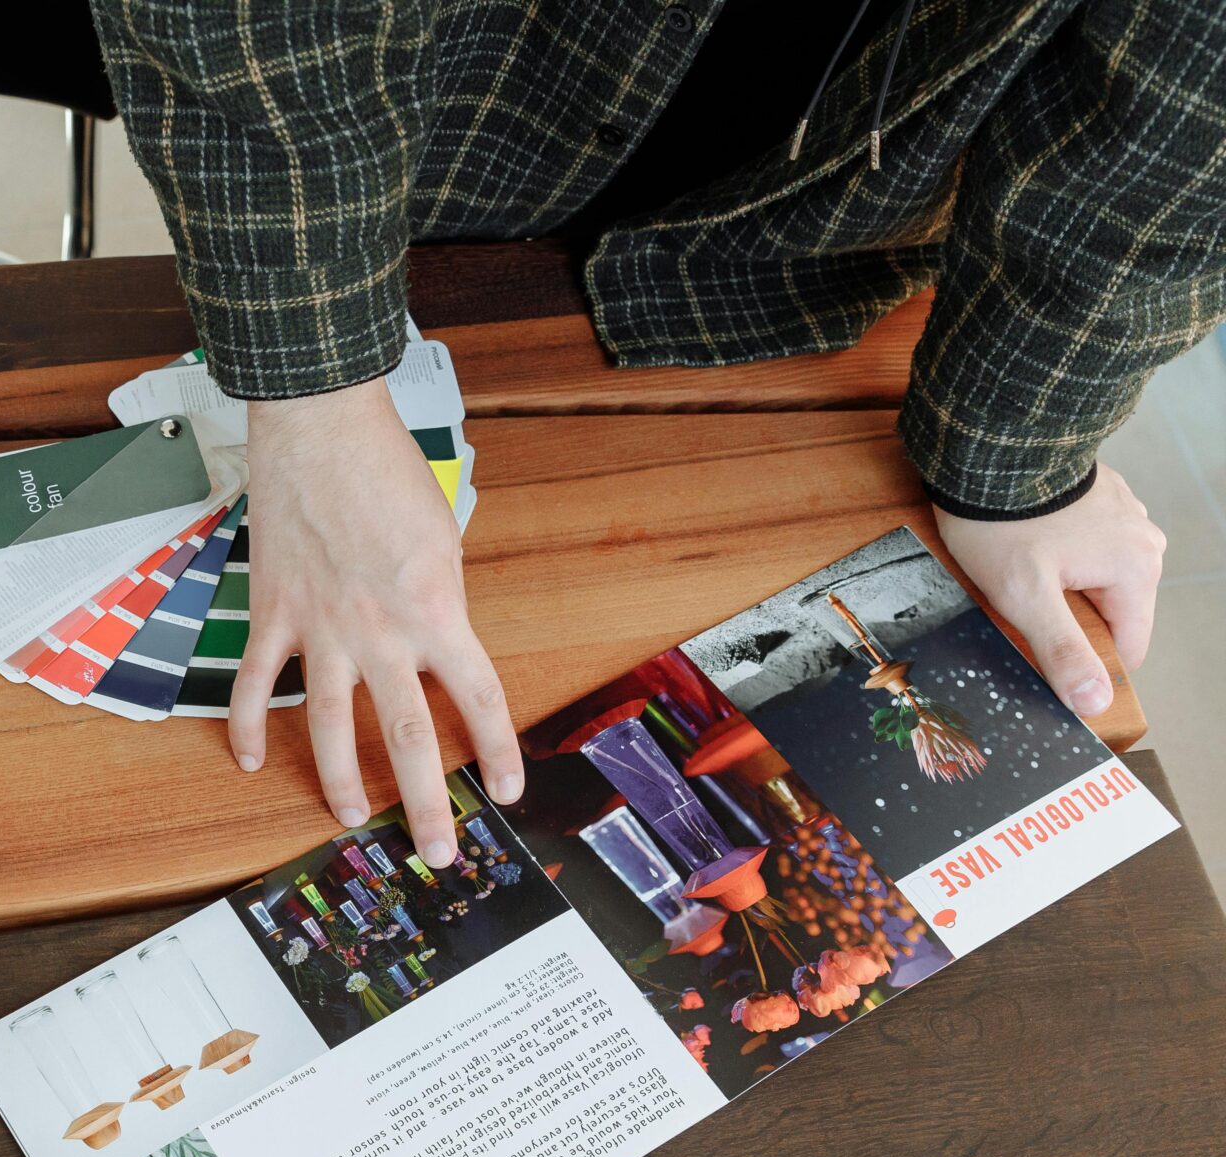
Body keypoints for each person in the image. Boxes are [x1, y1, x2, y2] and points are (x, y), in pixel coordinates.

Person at [86, 0, 1221, 866]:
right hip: (423, 137)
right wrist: (317, 392)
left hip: (822, 249)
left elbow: (1183, 86)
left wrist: (1012, 456)